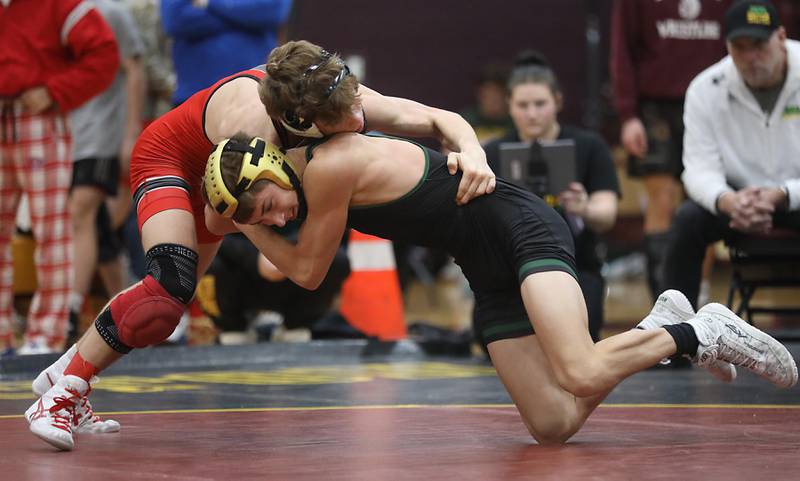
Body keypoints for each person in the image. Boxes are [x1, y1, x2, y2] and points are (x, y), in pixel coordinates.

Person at [23, 39, 496, 451]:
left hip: (226, 181)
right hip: (169, 160)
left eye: (353, 106)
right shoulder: (254, 133)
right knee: (168, 288)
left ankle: (63, 376)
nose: (356, 119)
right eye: (339, 119)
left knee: (169, 301)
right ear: (297, 119)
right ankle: (60, 396)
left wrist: (473, 151)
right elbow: (216, 216)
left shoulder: (331, 93)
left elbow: (439, 117)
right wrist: (285, 225)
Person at [202, 125, 796, 445]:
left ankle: (700, 331)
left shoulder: (327, 167)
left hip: (518, 229)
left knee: (580, 372)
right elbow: (232, 222)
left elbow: (306, 272)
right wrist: (240, 214)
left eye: (270, 205)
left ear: (272, 164)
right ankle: (658, 327)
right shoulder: (305, 170)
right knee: (553, 425)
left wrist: (242, 226)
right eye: (263, 218)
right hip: (482, 264)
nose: (277, 218)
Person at [662, 0, 800, 308]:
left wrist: (783, 194)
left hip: (795, 195)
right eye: (740, 47)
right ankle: (672, 328)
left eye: (759, 45)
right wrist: (727, 200)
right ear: (726, 46)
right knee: (687, 220)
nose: (751, 57)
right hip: (738, 202)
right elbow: (698, 169)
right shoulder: (704, 89)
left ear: (781, 37)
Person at [0, 0, 119, 355]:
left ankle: (47, 332)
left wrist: (55, 90)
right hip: (17, 110)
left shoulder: (57, 4)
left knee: (51, 229)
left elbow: (105, 55)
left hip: (37, 116)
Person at [483, 51, 619, 342]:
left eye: (540, 104)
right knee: (490, 339)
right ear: (510, 106)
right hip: (510, 273)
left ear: (557, 101)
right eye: (523, 105)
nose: (532, 114)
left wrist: (584, 208)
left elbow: (607, 214)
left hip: (577, 266)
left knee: (581, 336)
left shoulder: (590, 146)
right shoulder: (491, 152)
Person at [610, 0, 732, 301]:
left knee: (704, 200)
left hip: (714, 103)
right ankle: (664, 299)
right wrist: (628, 115)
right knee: (661, 199)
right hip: (655, 105)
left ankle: (699, 293)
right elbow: (622, 50)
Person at [68, 0, 145, 342]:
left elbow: (135, 69)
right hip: (65, 129)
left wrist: (130, 131)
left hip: (101, 130)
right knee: (96, 227)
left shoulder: (111, 12)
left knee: (80, 212)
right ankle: (130, 315)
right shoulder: (50, 12)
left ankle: (69, 312)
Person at [200, 229, 352, 340]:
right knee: (208, 261)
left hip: (295, 274)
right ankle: (232, 327)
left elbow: (334, 227)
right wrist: (254, 256)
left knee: (335, 260)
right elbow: (205, 230)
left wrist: (285, 252)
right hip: (240, 273)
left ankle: (297, 324)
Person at [160, 0, 293, 106]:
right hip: (194, 96)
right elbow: (175, 19)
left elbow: (273, 12)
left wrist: (208, 3)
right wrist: (243, 17)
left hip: (255, 95)